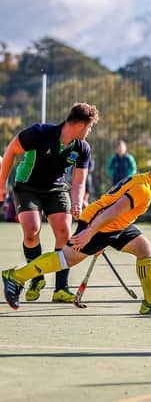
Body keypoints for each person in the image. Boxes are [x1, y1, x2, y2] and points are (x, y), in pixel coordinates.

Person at [2, 152, 151, 315]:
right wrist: (91, 232)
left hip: (116, 225)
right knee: (66, 259)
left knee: (145, 249)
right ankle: (15, 277)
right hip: (100, 223)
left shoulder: (143, 180)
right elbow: (112, 211)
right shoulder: (143, 189)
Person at [0, 103, 98, 303]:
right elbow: (11, 151)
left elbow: (79, 180)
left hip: (56, 188)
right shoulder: (39, 133)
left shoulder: (82, 148)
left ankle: (61, 289)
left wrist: (77, 203)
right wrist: (1, 184)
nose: (89, 132)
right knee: (31, 232)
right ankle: (36, 277)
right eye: (89, 127)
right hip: (27, 186)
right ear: (80, 125)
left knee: (64, 232)